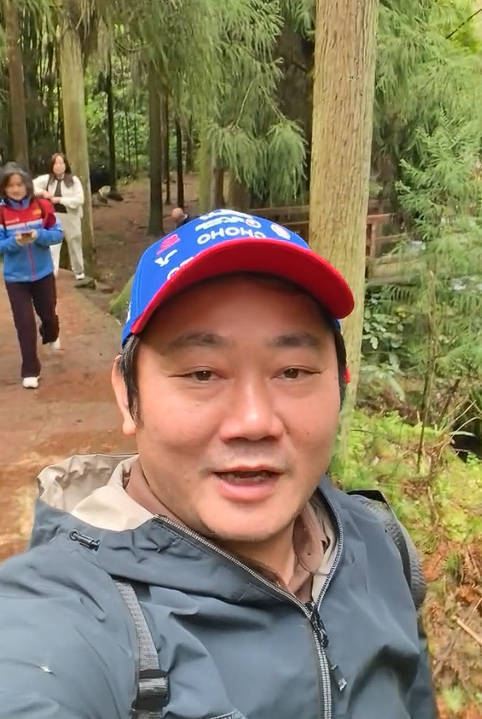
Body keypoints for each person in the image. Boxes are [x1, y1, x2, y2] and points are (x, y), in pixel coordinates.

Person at [0, 209, 437, 717]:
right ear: (127, 395)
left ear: (339, 385)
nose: (254, 421)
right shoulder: (64, 620)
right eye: (202, 374)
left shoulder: (380, 547)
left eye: (293, 371)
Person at [0, 162, 63, 389]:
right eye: (10, 186)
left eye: (19, 184)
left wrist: (39, 236)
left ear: (27, 184)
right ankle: (30, 370)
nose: (16, 189)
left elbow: (58, 234)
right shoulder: (2, 213)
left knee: (49, 315)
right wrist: (14, 243)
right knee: (24, 323)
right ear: (4, 189)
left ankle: (51, 333)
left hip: (43, 273)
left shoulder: (42, 206)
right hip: (16, 278)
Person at [34, 152, 85, 281]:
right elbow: (30, 186)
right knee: (53, 245)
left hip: (71, 217)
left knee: (74, 243)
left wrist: (60, 200)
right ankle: (52, 272)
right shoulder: (47, 179)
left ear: (65, 165)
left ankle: (79, 271)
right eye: (56, 163)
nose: (59, 166)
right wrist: (42, 192)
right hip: (54, 217)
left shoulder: (73, 180)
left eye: (61, 163)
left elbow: (79, 199)